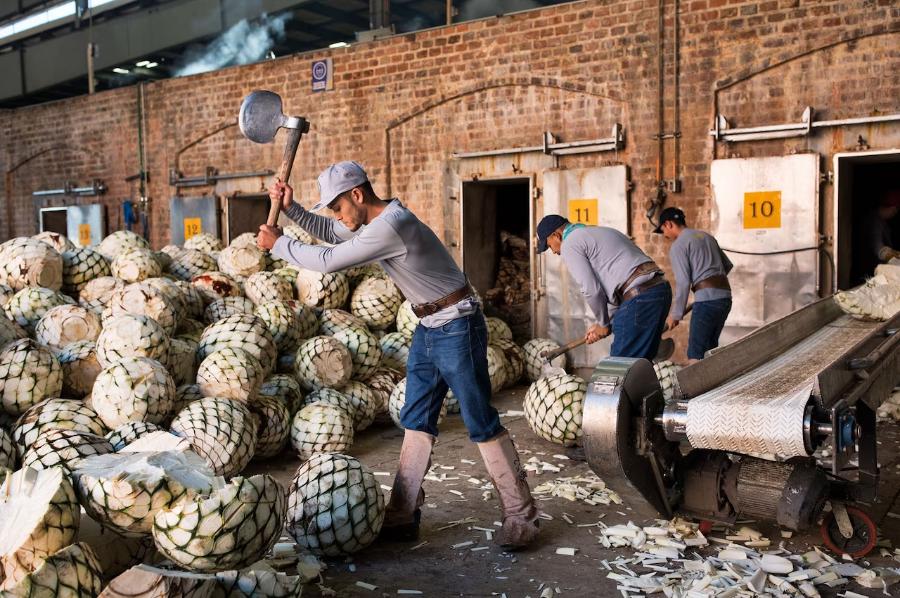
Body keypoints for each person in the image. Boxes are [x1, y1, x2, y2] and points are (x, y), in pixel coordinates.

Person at [257, 161, 540, 549]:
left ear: (357, 194)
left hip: (457, 325)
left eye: (338, 206)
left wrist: (279, 244)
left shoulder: (392, 225)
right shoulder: (375, 222)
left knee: (479, 419)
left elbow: (328, 260)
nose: (337, 215)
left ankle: (521, 514)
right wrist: (292, 210)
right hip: (430, 325)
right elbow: (334, 233)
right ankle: (403, 512)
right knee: (416, 416)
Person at [536, 214, 671, 360]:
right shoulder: (600, 232)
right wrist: (603, 323)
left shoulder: (569, 243)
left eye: (549, 246)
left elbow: (592, 290)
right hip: (659, 290)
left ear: (556, 235)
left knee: (619, 368)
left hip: (640, 298)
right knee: (640, 365)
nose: (554, 252)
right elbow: (619, 289)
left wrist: (603, 324)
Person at [654, 207, 732, 362]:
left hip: (707, 302)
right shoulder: (708, 237)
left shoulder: (679, 245)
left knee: (696, 355)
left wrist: (676, 314)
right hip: (725, 299)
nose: (665, 235)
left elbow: (683, 282)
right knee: (710, 351)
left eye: (663, 230)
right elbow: (727, 266)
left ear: (669, 224)